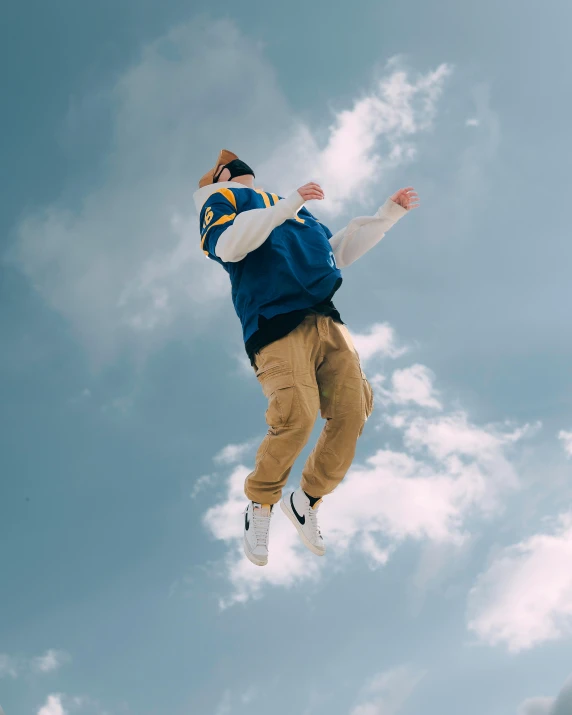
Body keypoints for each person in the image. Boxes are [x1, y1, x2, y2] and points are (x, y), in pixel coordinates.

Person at [193, 149, 419, 566]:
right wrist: (289, 203)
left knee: (353, 412)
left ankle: (307, 500)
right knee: (296, 415)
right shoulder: (221, 199)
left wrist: (386, 215)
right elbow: (229, 244)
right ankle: (260, 505)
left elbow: (335, 252)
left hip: (326, 320)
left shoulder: (292, 210)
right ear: (221, 176)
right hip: (274, 319)